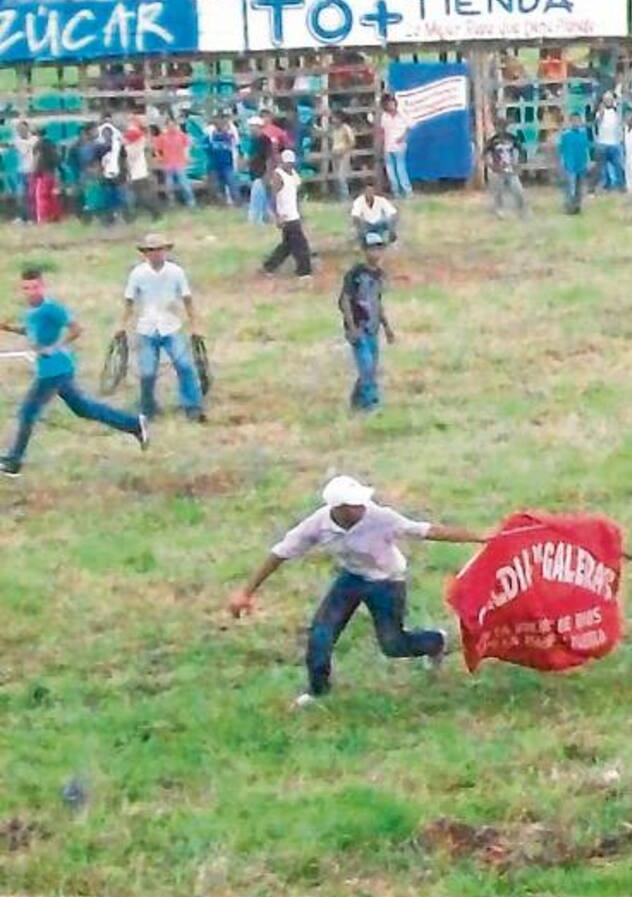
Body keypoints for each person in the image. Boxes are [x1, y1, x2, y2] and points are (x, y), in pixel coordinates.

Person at [227, 475, 486, 705]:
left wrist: (478, 537)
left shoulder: (380, 517)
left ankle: (435, 641)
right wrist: (246, 592)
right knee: (321, 633)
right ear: (338, 509)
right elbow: (280, 553)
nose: (361, 507)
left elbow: (425, 530)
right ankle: (318, 691)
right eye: (354, 505)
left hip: (387, 581)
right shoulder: (318, 524)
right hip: (351, 578)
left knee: (392, 645)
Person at [0, 268, 148, 477]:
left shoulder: (52, 309)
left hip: (54, 371)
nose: (31, 292)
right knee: (84, 408)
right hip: (53, 370)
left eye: (35, 287)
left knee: (26, 413)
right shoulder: (31, 312)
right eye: (26, 288)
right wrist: (9, 328)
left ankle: (13, 462)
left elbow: (76, 329)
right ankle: (134, 424)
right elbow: (32, 330)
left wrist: (55, 346)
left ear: (43, 286)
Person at [120, 233, 205, 422]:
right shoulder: (138, 274)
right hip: (147, 328)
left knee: (184, 366)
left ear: (165, 251)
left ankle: (192, 406)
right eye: (152, 250)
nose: (156, 254)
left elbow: (187, 299)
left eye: (159, 249)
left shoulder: (176, 272)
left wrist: (195, 324)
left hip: (170, 325)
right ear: (145, 253)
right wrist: (122, 326)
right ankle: (147, 406)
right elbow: (129, 301)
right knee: (147, 372)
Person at [339, 232, 395, 412]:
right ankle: (372, 404)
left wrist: (386, 326)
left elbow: (377, 302)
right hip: (359, 327)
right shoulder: (356, 274)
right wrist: (351, 326)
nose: (376, 253)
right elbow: (345, 300)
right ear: (364, 251)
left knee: (369, 366)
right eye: (372, 248)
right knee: (367, 366)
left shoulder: (378, 275)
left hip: (373, 327)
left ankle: (357, 401)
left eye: (379, 248)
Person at [262, 150, 312, 279]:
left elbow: (297, 192)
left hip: (294, 213)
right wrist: (277, 216)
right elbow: (273, 197)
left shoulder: (293, 174)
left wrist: (300, 211)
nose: (290, 165)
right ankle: (304, 271)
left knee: (287, 245)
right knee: (300, 244)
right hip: (286, 215)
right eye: (287, 163)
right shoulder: (278, 176)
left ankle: (269, 266)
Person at [483, 118, 527, 217]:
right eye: (499, 126)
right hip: (498, 170)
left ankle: (522, 209)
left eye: (503, 126)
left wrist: (519, 164)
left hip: (511, 169)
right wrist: (491, 166)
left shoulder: (512, 138)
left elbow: (522, 151)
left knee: (518, 190)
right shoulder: (493, 140)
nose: (501, 129)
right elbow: (485, 154)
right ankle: (499, 210)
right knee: (498, 191)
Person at [123, 115, 160, 221]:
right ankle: (132, 216)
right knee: (135, 196)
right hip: (137, 171)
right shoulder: (138, 136)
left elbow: (127, 139)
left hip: (137, 172)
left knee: (141, 196)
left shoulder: (136, 135)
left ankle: (154, 213)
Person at [377, 95, 413, 199]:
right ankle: (396, 192)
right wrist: (381, 143)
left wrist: (403, 137)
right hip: (388, 146)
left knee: (400, 169)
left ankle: (407, 191)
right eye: (388, 103)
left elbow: (410, 126)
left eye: (392, 103)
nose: (390, 105)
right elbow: (382, 131)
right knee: (391, 172)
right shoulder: (384, 116)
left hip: (399, 146)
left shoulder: (401, 114)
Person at [155, 118, 195, 209]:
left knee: (185, 184)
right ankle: (172, 203)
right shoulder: (162, 137)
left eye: (173, 125)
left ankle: (191, 202)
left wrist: (187, 156)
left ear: (176, 126)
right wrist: (159, 158)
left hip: (180, 163)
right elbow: (157, 149)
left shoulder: (181, 135)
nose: (171, 127)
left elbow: (187, 146)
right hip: (168, 164)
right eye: (169, 125)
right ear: (166, 126)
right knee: (169, 186)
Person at [558, 112, 591, 215]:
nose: (576, 123)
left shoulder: (583, 134)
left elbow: (586, 149)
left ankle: (577, 206)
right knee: (570, 187)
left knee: (579, 188)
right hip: (570, 165)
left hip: (581, 164)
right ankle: (569, 207)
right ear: (571, 121)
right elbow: (561, 151)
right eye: (574, 120)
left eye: (578, 120)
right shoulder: (566, 135)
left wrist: (588, 161)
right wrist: (562, 163)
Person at [246, 116, 274, 223]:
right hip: (254, 172)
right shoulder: (253, 140)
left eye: (253, 127)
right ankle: (268, 217)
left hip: (261, 172)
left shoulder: (265, 140)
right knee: (263, 198)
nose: (251, 129)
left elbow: (269, 158)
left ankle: (255, 219)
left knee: (257, 197)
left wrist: (268, 173)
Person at [594, 91, 624, 191]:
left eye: (610, 99)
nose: (608, 101)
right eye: (606, 100)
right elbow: (598, 122)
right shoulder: (600, 112)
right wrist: (601, 110)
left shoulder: (616, 112)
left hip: (614, 143)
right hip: (602, 142)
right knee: (603, 167)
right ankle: (606, 184)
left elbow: (620, 125)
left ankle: (620, 185)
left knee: (618, 166)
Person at [206, 115, 239, 206]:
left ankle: (236, 202)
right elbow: (207, 148)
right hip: (215, 164)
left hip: (227, 164)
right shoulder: (211, 134)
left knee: (231, 183)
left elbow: (234, 145)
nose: (219, 126)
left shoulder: (228, 135)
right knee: (219, 185)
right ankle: (222, 203)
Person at [9, 121, 37, 224]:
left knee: (31, 196)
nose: (22, 131)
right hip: (21, 171)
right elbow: (21, 147)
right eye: (19, 129)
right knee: (20, 195)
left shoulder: (34, 139)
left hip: (32, 171)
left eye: (23, 128)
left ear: (27, 129)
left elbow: (29, 145)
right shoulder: (18, 140)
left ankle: (31, 218)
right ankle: (21, 217)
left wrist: (22, 143)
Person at [31, 134, 61, 224]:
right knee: (53, 199)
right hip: (52, 176)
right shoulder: (52, 150)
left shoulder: (39, 150)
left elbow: (36, 164)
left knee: (42, 199)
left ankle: (44, 219)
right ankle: (55, 218)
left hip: (43, 177)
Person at [331, 111, 356, 201]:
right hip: (335, 153)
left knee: (342, 176)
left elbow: (352, 142)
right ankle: (340, 195)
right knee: (336, 175)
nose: (333, 120)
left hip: (343, 154)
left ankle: (345, 196)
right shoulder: (334, 129)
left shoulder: (346, 128)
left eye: (335, 118)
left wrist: (344, 150)